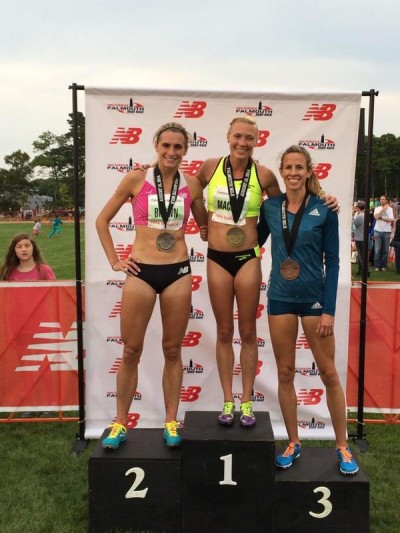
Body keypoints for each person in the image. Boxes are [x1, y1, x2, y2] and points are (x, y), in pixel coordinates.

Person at [195, 117, 338, 429]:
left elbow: (288, 207)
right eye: (238, 136)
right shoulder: (208, 167)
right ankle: (227, 400)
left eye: (249, 138)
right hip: (217, 257)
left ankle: (246, 401)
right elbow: (186, 192)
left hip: (247, 257)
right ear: (228, 136)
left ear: (256, 141)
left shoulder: (264, 175)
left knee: (247, 333)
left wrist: (324, 198)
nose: (243, 143)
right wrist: (202, 223)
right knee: (222, 332)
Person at [96, 122, 208, 450]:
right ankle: (119, 423)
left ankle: (171, 421)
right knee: (131, 350)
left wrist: (211, 230)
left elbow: (204, 224)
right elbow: (102, 220)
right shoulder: (136, 178)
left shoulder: (193, 184)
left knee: (173, 350)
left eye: (178, 147)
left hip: (178, 272)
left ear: (186, 150)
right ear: (156, 146)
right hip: (141, 271)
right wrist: (115, 261)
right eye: (166, 146)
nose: (172, 152)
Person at [258, 145, 358, 475]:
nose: (293, 173)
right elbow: (250, 239)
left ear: (309, 170)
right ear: (282, 171)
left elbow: (335, 261)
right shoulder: (271, 207)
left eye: (299, 167)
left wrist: (329, 310)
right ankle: (293, 441)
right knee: (285, 373)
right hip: (281, 299)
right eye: (287, 167)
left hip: (316, 301)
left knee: (328, 373)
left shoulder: (325, 209)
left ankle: (342, 445)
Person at [373, 195, 394, 271]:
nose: (381, 200)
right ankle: (377, 266)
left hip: (387, 231)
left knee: (385, 250)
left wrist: (381, 218)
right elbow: (376, 217)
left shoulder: (390, 209)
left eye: (383, 199)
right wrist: (383, 210)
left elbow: (391, 219)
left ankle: (383, 266)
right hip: (378, 230)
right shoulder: (377, 208)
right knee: (377, 249)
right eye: (381, 199)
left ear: (386, 200)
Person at [352, 201, 369, 276]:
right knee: (362, 255)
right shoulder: (364, 215)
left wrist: (352, 216)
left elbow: (353, 225)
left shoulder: (360, 216)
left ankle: (364, 271)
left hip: (360, 238)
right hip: (363, 237)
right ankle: (363, 270)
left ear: (358, 208)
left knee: (361, 256)